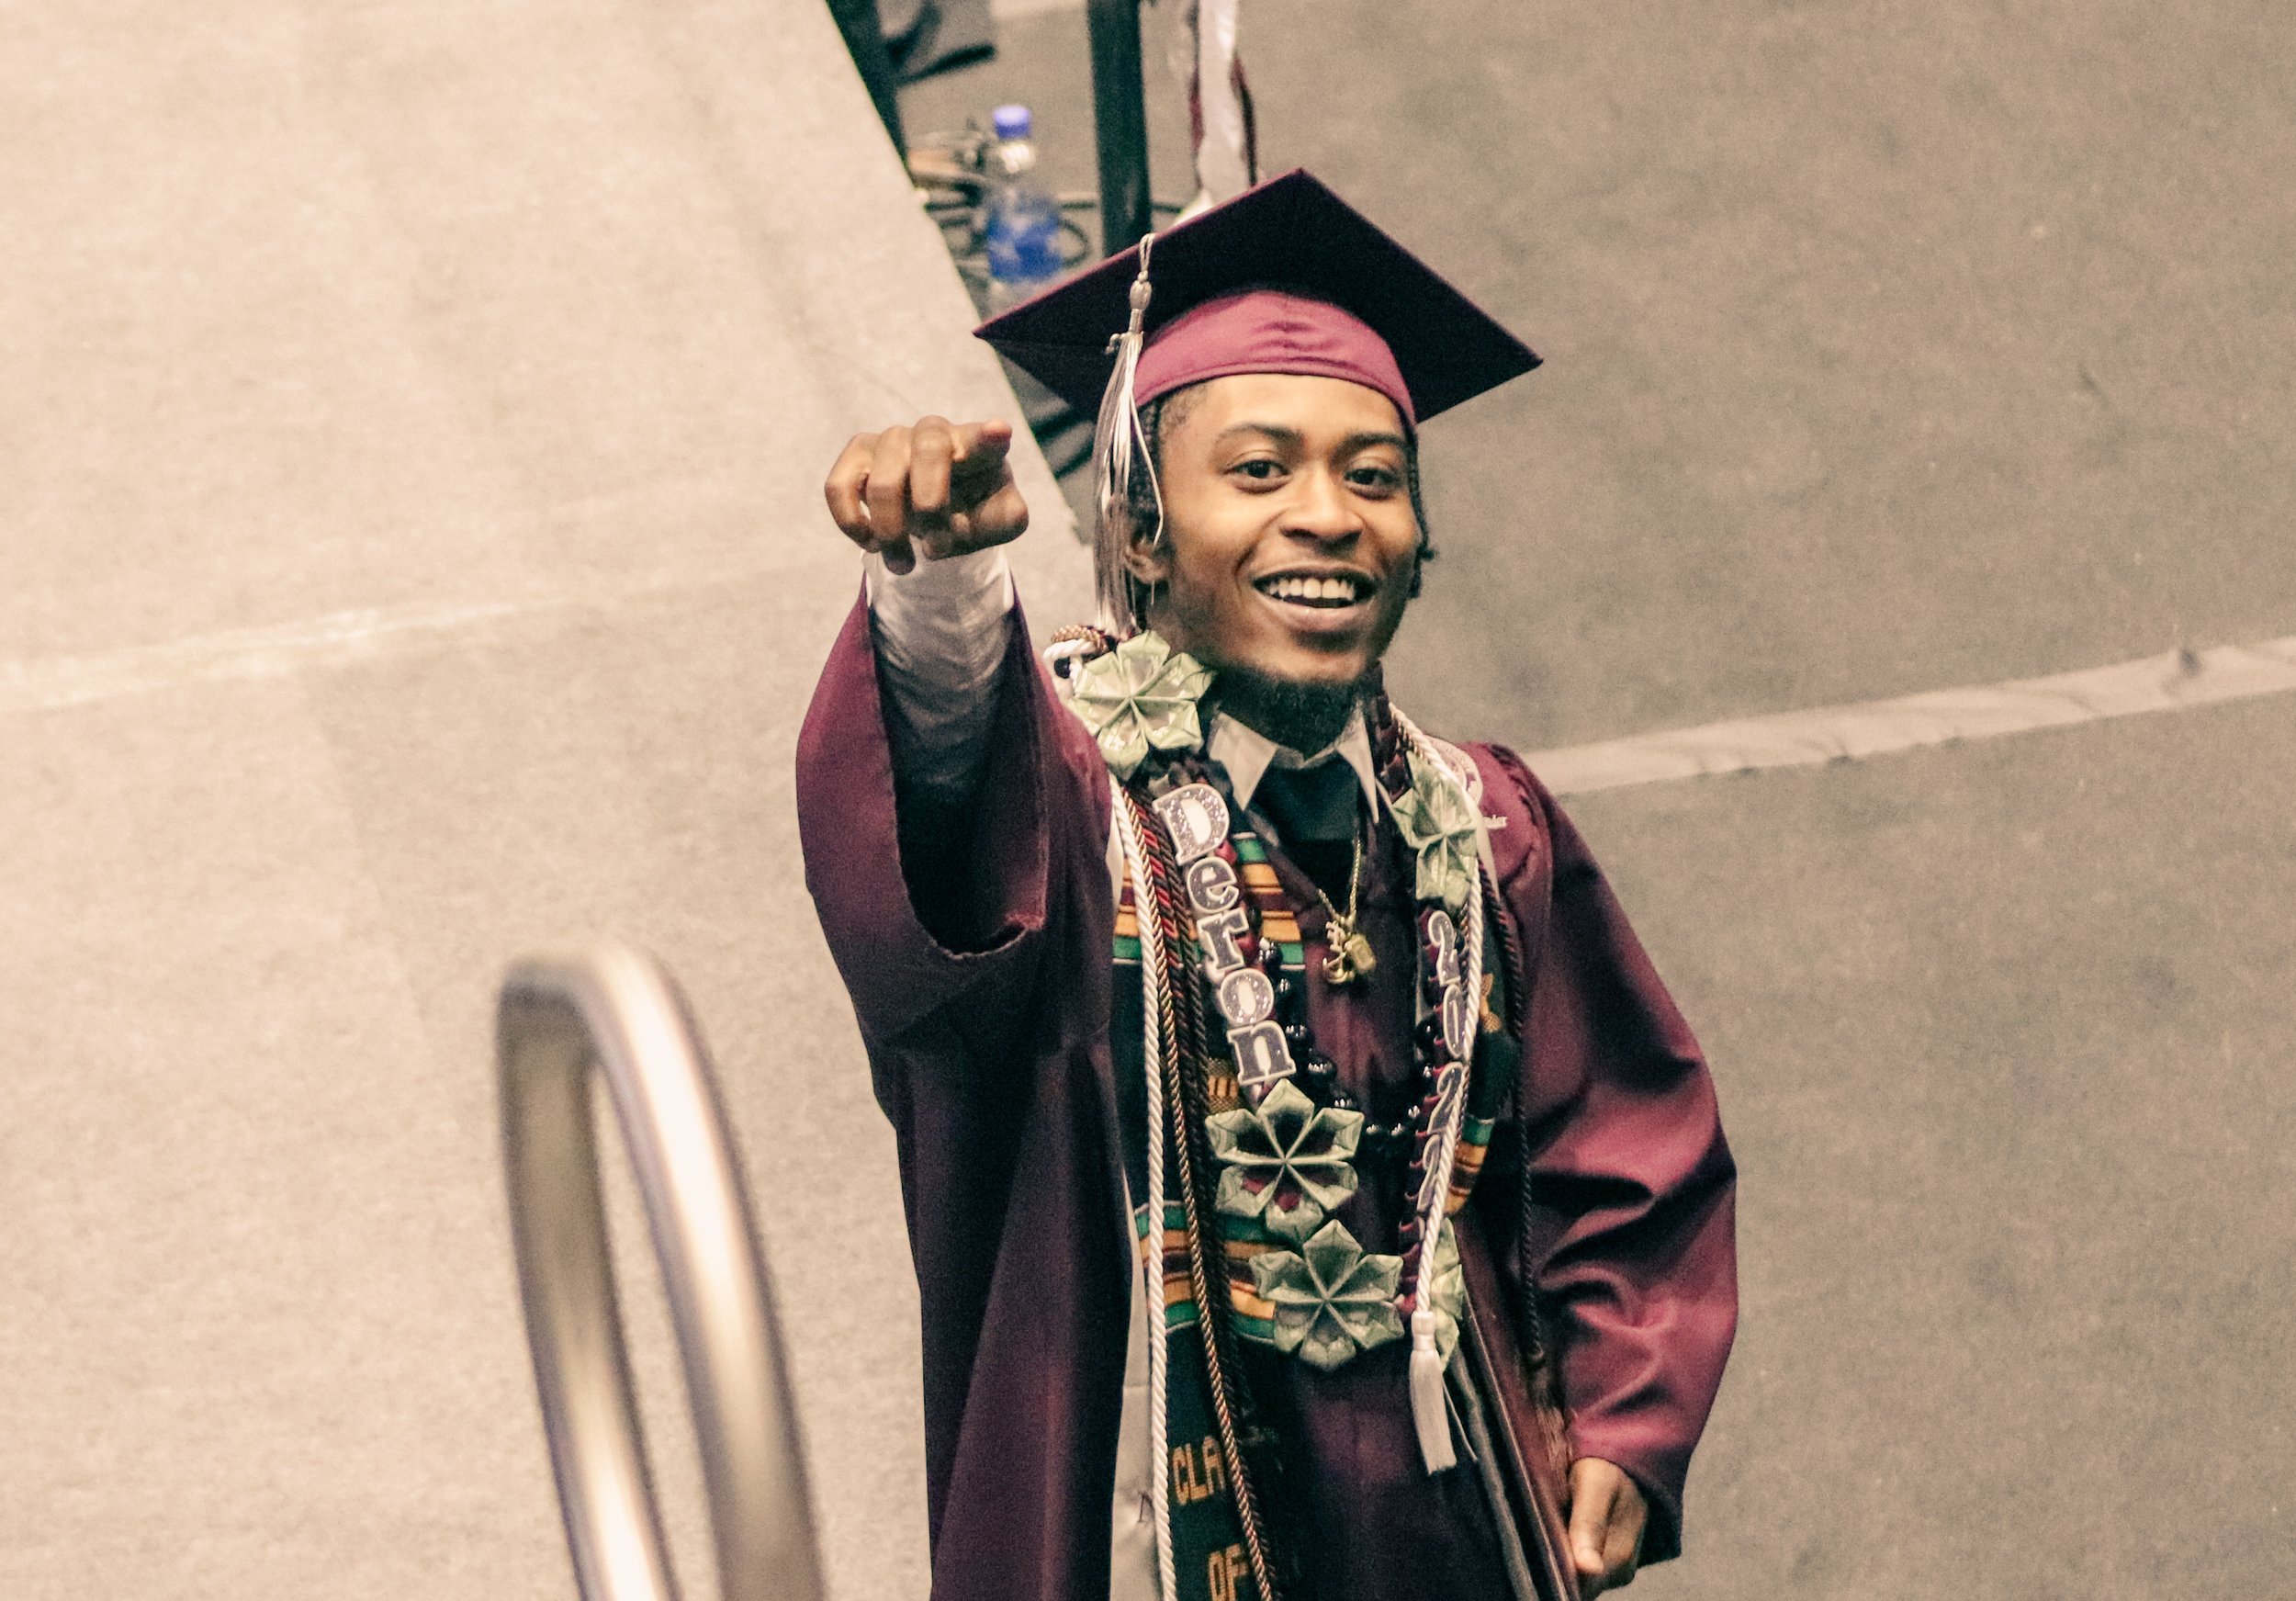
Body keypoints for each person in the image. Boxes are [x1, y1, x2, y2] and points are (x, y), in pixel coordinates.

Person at [798, 171, 1736, 1601]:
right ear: (1142, 533)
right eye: (1258, 471)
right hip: (1137, 1522)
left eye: (1375, 476)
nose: (1328, 516)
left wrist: (1626, 1405)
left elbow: (1614, 1133)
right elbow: (948, 827)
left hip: (1449, 1526)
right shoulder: (1078, 815)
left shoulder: (1482, 826)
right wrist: (938, 595)